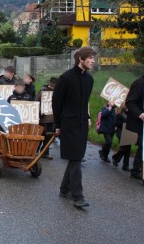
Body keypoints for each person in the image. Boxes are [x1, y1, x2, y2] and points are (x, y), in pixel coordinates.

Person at [52, 46, 95, 208]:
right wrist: (57, 125)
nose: (92, 61)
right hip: (68, 124)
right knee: (76, 159)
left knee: (75, 159)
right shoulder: (66, 78)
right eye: (90, 58)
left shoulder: (89, 80)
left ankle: (64, 189)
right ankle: (78, 196)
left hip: (83, 124)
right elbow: (57, 103)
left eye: (93, 58)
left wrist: (88, 117)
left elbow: (84, 103)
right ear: (80, 59)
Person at [36, 77, 58, 160]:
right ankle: (35, 151)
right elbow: (36, 102)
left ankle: (45, 152)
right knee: (41, 135)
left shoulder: (57, 92)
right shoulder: (43, 91)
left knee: (49, 137)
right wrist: (40, 111)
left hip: (53, 118)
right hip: (43, 118)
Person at [112, 103, 131, 171]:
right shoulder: (119, 115)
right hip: (121, 133)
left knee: (128, 150)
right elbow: (117, 124)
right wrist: (126, 124)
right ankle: (115, 157)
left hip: (128, 133)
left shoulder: (129, 115)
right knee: (123, 148)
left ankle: (125, 165)